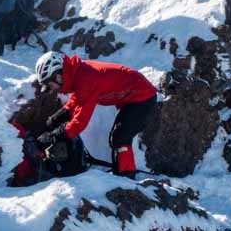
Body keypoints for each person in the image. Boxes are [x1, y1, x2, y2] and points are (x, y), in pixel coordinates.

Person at [31, 51, 159, 178]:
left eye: (50, 84)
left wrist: (54, 136)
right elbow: (77, 101)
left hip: (142, 98)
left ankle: (126, 176)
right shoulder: (78, 73)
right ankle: (122, 172)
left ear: (58, 75)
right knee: (118, 138)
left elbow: (80, 123)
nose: (52, 89)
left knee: (120, 138)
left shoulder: (86, 79)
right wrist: (55, 119)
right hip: (131, 98)